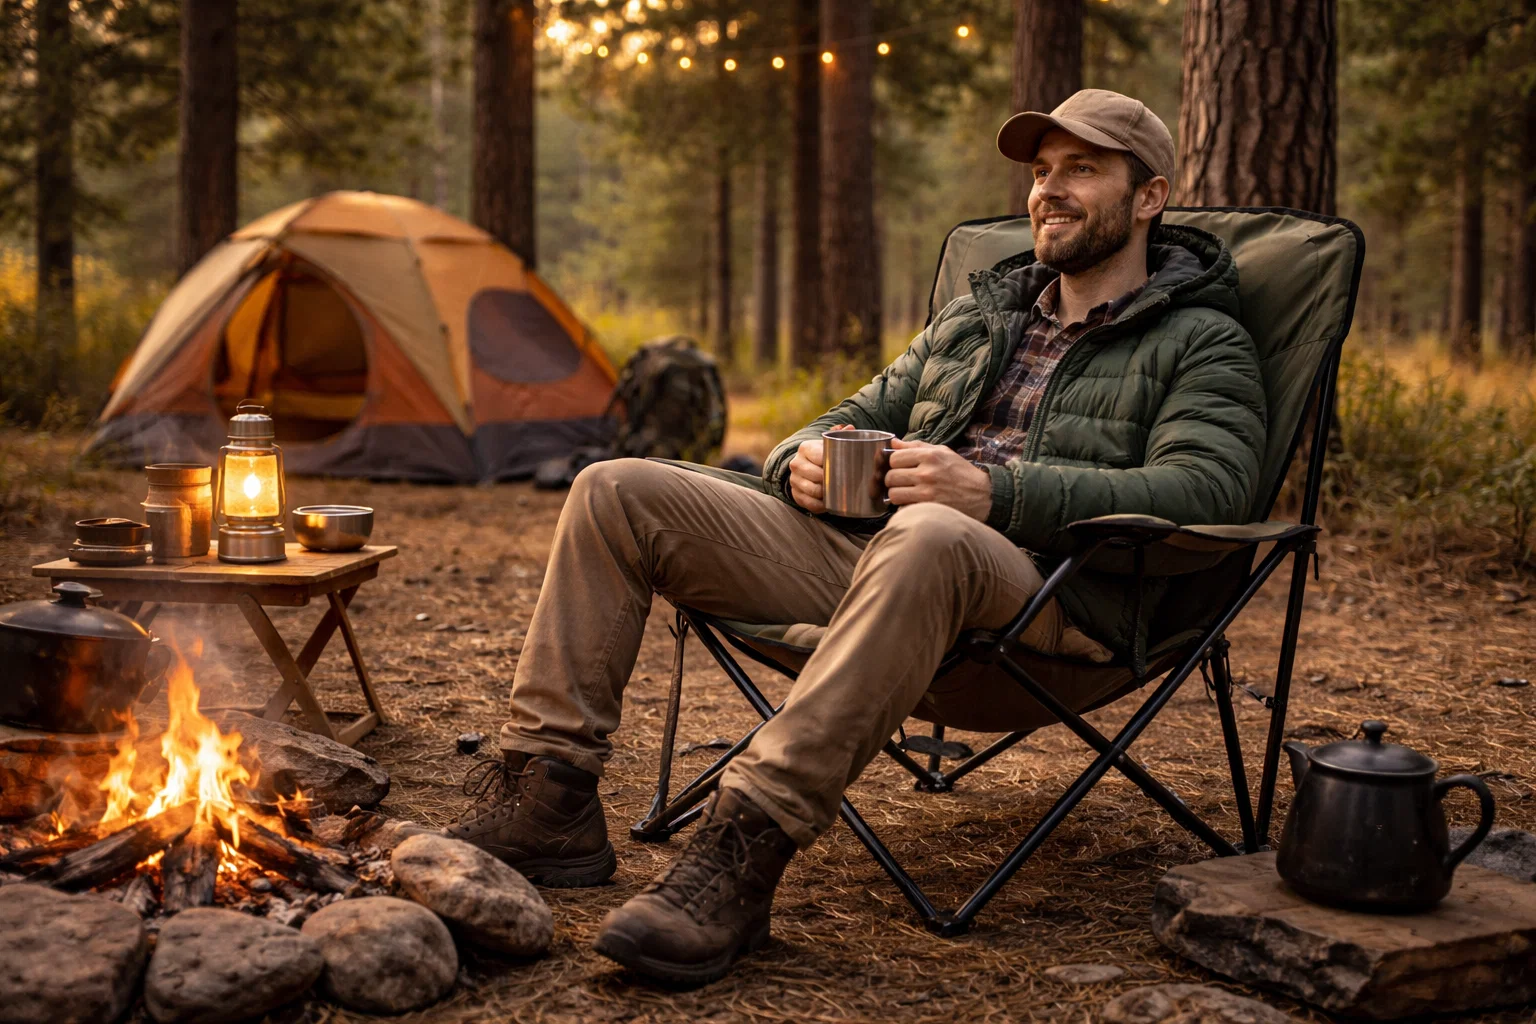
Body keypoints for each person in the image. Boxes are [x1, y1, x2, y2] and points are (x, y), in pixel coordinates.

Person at [448, 88, 1266, 985]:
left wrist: (992, 491)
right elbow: (844, 419)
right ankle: (550, 796)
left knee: (929, 532)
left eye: (1083, 169)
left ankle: (743, 849)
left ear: (1149, 197)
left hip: (1053, 600)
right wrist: (796, 461)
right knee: (616, 488)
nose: (1049, 191)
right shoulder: (980, 318)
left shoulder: (1202, 340)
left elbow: (1209, 488)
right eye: (1040, 172)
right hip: (882, 570)